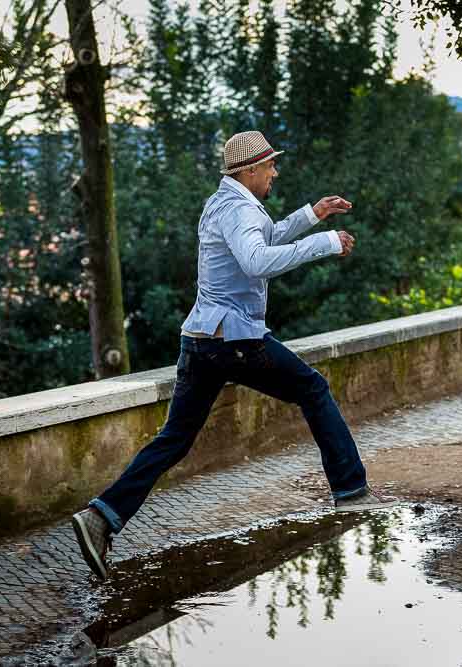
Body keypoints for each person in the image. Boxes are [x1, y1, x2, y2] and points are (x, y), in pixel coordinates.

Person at [71, 130, 391, 580]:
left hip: (200, 340)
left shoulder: (223, 204)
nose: (275, 172)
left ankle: (100, 517)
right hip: (235, 341)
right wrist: (327, 243)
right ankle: (352, 490)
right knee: (313, 388)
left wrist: (312, 214)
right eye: (270, 166)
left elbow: (265, 237)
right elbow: (258, 261)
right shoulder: (239, 208)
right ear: (250, 171)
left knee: (174, 439)